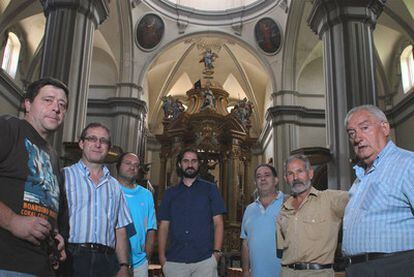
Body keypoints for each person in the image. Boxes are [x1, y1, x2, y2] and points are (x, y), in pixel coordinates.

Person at [0, 77, 69, 276]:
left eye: (62, 104)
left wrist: (56, 239)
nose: (56, 108)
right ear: (28, 104)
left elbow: (50, 203)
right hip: (7, 262)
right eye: (48, 100)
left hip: (41, 266)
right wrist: (13, 221)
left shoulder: (54, 156)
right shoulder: (9, 128)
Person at [342, 105, 414, 277]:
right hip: (358, 269)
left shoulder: (408, 164)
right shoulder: (361, 178)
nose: (357, 137)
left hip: (394, 267)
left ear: (385, 128)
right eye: (351, 133)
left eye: (364, 128)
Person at [63, 122, 132, 277]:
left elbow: (120, 229)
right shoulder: (65, 176)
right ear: (81, 143)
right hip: (72, 256)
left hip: (106, 260)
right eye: (92, 139)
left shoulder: (114, 186)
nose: (98, 144)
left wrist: (123, 265)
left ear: (108, 148)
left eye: (103, 141)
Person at [158, 148, 227, 277]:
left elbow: (218, 223)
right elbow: (164, 226)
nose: (190, 165)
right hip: (175, 261)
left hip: (205, 261)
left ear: (198, 164)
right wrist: (162, 258)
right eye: (186, 161)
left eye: (194, 161)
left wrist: (216, 254)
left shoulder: (211, 189)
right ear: (179, 164)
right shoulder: (169, 194)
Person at [276, 154, 348, 277]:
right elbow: (281, 249)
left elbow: (360, 200)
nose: (296, 177)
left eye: (300, 171)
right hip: (286, 273)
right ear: (286, 178)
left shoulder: (329, 199)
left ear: (310, 173)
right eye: (290, 173)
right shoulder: (283, 210)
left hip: (318, 273)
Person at [116, 152, 157, 277]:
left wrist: (146, 257)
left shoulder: (146, 195)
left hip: (139, 262)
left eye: (136, 165)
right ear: (118, 166)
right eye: (128, 163)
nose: (132, 167)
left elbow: (151, 228)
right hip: (114, 259)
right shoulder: (109, 189)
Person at [240, 164, 284, 277]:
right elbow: (245, 243)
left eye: (267, 175)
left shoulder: (288, 203)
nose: (262, 179)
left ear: (276, 180)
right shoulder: (249, 209)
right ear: (255, 182)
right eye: (258, 176)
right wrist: (245, 270)